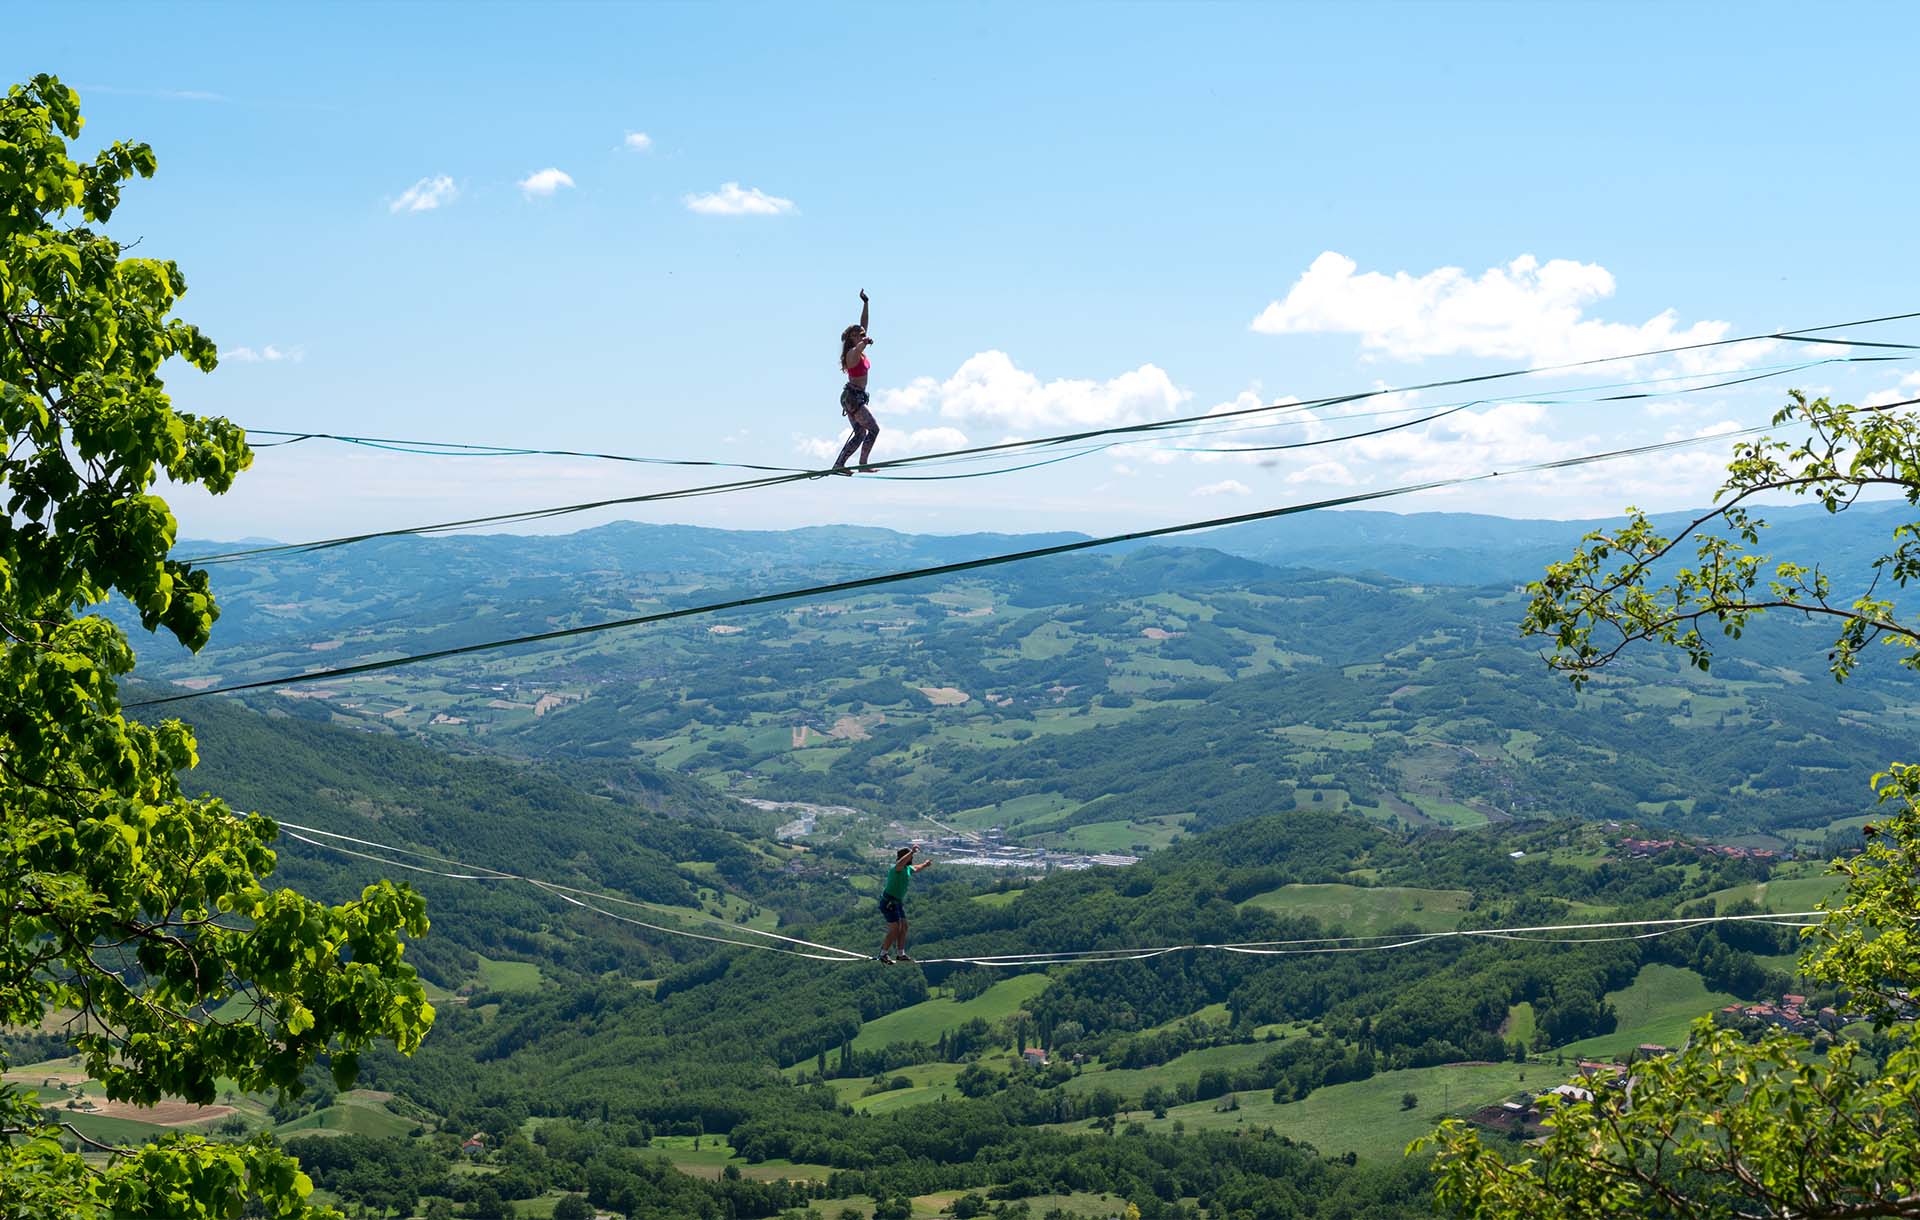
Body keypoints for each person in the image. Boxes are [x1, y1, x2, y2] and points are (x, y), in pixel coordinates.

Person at [834, 289, 880, 473]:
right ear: (853, 338)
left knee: (860, 434)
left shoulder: (859, 347)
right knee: (874, 429)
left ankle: (839, 465)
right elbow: (861, 343)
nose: (863, 334)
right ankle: (863, 464)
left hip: (853, 398)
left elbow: (864, 326)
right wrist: (865, 341)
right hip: (852, 398)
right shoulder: (852, 354)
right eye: (859, 334)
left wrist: (866, 303)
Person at [877, 844, 931, 963]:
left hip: (897, 903)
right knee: (895, 929)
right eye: (910, 858)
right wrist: (912, 852)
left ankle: (900, 954)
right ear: (906, 858)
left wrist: (925, 865)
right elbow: (901, 863)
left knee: (904, 927)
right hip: (888, 902)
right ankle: (883, 954)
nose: (911, 860)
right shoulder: (896, 868)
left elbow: (916, 868)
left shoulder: (907, 869)